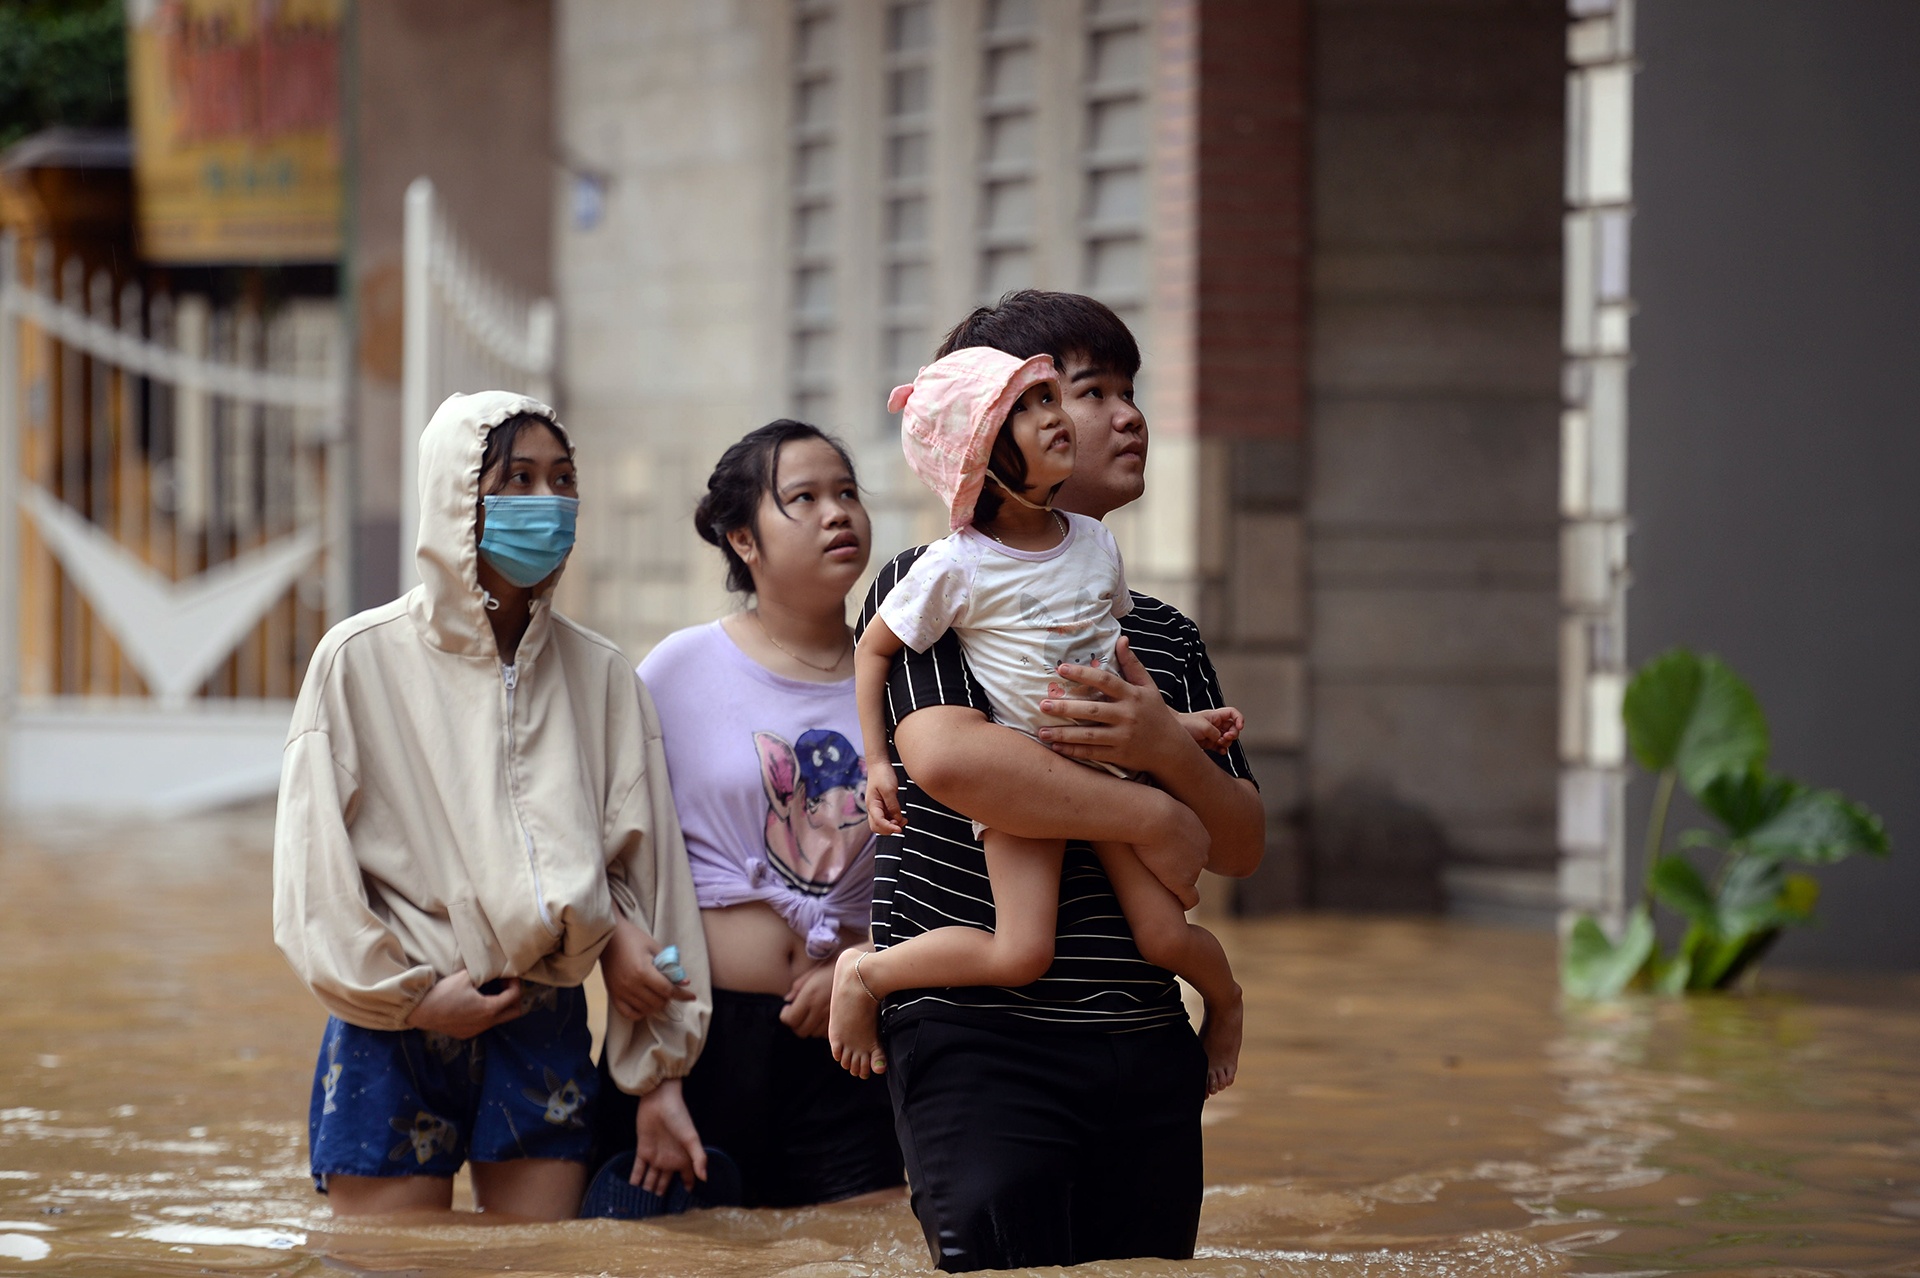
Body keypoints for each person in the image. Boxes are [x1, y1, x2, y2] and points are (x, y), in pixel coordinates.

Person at [851, 292, 1265, 1271]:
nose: (1128, 416)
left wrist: (1165, 743)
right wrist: (1147, 810)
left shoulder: (1161, 632)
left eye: (1131, 391)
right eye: (1087, 393)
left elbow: (1242, 845)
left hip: (1144, 1034)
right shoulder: (941, 583)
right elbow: (950, 756)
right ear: (997, 426)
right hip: (979, 1040)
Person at [273, 391, 709, 1220]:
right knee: (391, 1272)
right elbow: (313, 878)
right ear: (456, 496)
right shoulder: (356, 662)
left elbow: (649, 882)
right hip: (393, 1027)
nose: (548, 503)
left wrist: (659, 1072)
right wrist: (404, 997)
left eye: (563, 479)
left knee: (535, 1268)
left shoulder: (605, 677)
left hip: (540, 1013)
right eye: (518, 480)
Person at [588, 421, 905, 1209]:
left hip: (854, 1034)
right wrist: (621, 963)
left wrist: (860, 966)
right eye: (803, 498)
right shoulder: (677, 670)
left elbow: (952, 872)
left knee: (852, 1255)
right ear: (743, 538)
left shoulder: (904, 678)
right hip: (697, 1038)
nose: (838, 513)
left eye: (847, 493)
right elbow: (603, 854)